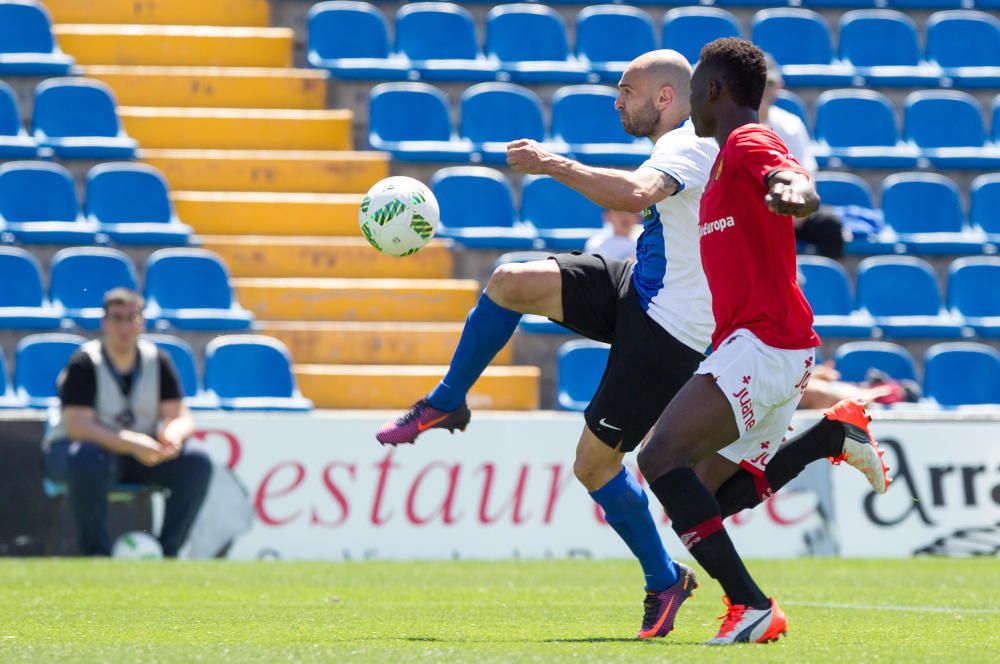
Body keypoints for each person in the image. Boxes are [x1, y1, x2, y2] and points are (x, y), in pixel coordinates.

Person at [377, 48, 885, 639]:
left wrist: (550, 163)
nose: (616, 100)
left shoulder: (700, 144)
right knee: (511, 280)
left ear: (672, 96)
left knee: (608, 467)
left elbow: (640, 191)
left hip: (675, 333)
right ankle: (449, 398)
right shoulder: (709, 146)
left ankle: (675, 583)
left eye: (625, 90)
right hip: (646, 291)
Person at [634, 38, 890, 645]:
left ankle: (750, 606)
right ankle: (831, 434)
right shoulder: (723, 156)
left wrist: (795, 194)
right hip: (766, 346)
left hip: (764, 343)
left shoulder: (748, 141)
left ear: (716, 90)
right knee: (702, 500)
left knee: (657, 460)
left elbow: (793, 179)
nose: (690, 97)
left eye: (695, 87)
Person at [43, 288, 212, 557]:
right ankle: (95, 553)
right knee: (86, 457)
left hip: (138, 455)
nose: (124, 326)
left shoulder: (158, 360)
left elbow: (180, 415)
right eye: (117, 318)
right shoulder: (84, 363)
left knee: (196, 460)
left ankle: (166, 552)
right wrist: (132, 443)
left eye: (131, 317)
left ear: (141, 322)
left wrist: (173, 436)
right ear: (104, 323)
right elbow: (78, 427)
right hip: (81, 455)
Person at [759, 54, 846, 259]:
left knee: (830, 227)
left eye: (769, 83)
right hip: (752, 211)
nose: (765, 89)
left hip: (790, 210)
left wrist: (798, 209)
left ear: (778, 85)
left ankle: (827, 288)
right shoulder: (734, 125)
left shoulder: (791, 124)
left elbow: (806, 175)